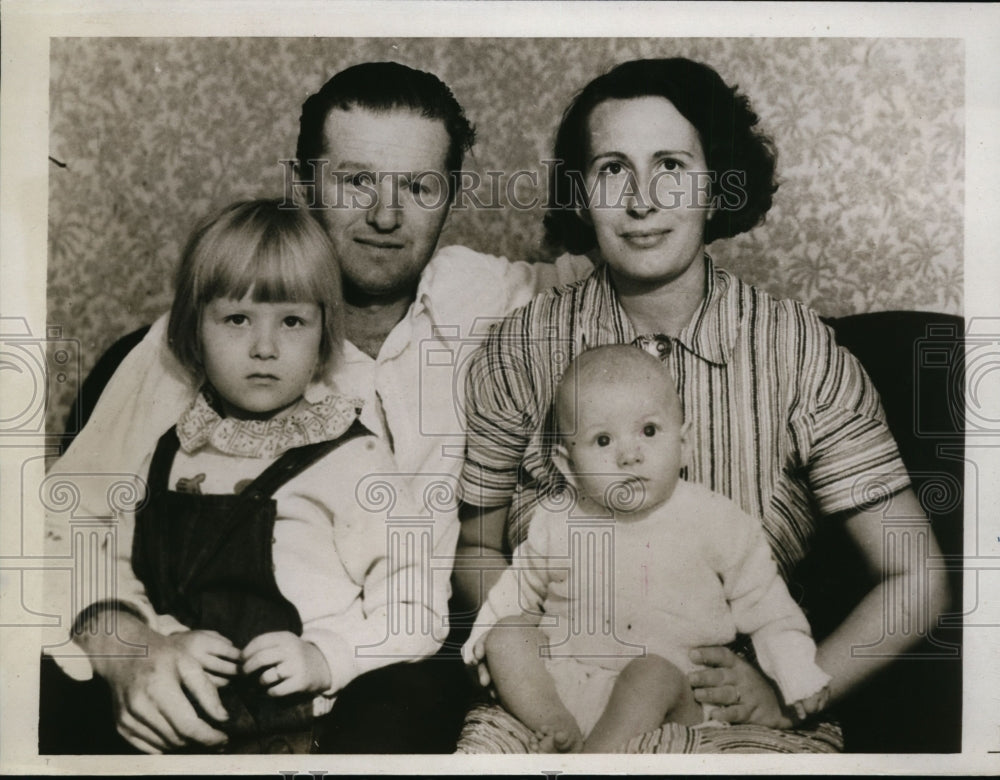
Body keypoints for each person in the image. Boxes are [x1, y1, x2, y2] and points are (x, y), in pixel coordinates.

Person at [42, 61, 591, 754]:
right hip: (201, 657)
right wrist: (125, 649)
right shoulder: (207, 338)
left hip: (390, 662)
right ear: (304, 186)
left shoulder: (489, 298)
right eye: (356, 180)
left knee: (408, 704)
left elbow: (627, 258)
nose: (387, 216)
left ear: (450, 196)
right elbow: (64, 518)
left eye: (419, 187)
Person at [456, 58, 948, 751]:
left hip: (726, 722)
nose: (642, 199)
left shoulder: (798, 349)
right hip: (552, 713)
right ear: (582, 193)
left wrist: (794, 693)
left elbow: (917, 575)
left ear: (716, 185)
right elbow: (477, 546)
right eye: (612, 169)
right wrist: (527, 665)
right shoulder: (521, 347)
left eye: (671, 166)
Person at [463, 345, 830, 753]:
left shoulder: (714, 519)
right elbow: (517, 588)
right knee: (508, 634)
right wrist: (485, 641)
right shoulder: (558, 520)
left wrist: (796, 672)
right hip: (566, 682)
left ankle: (592, 761)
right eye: (602, 440)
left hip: (670, 695)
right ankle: (556, 724)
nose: (629, 455)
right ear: (568, 466)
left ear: (684, 443)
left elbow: (768, 607)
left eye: (649, 431)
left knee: (650, 674)